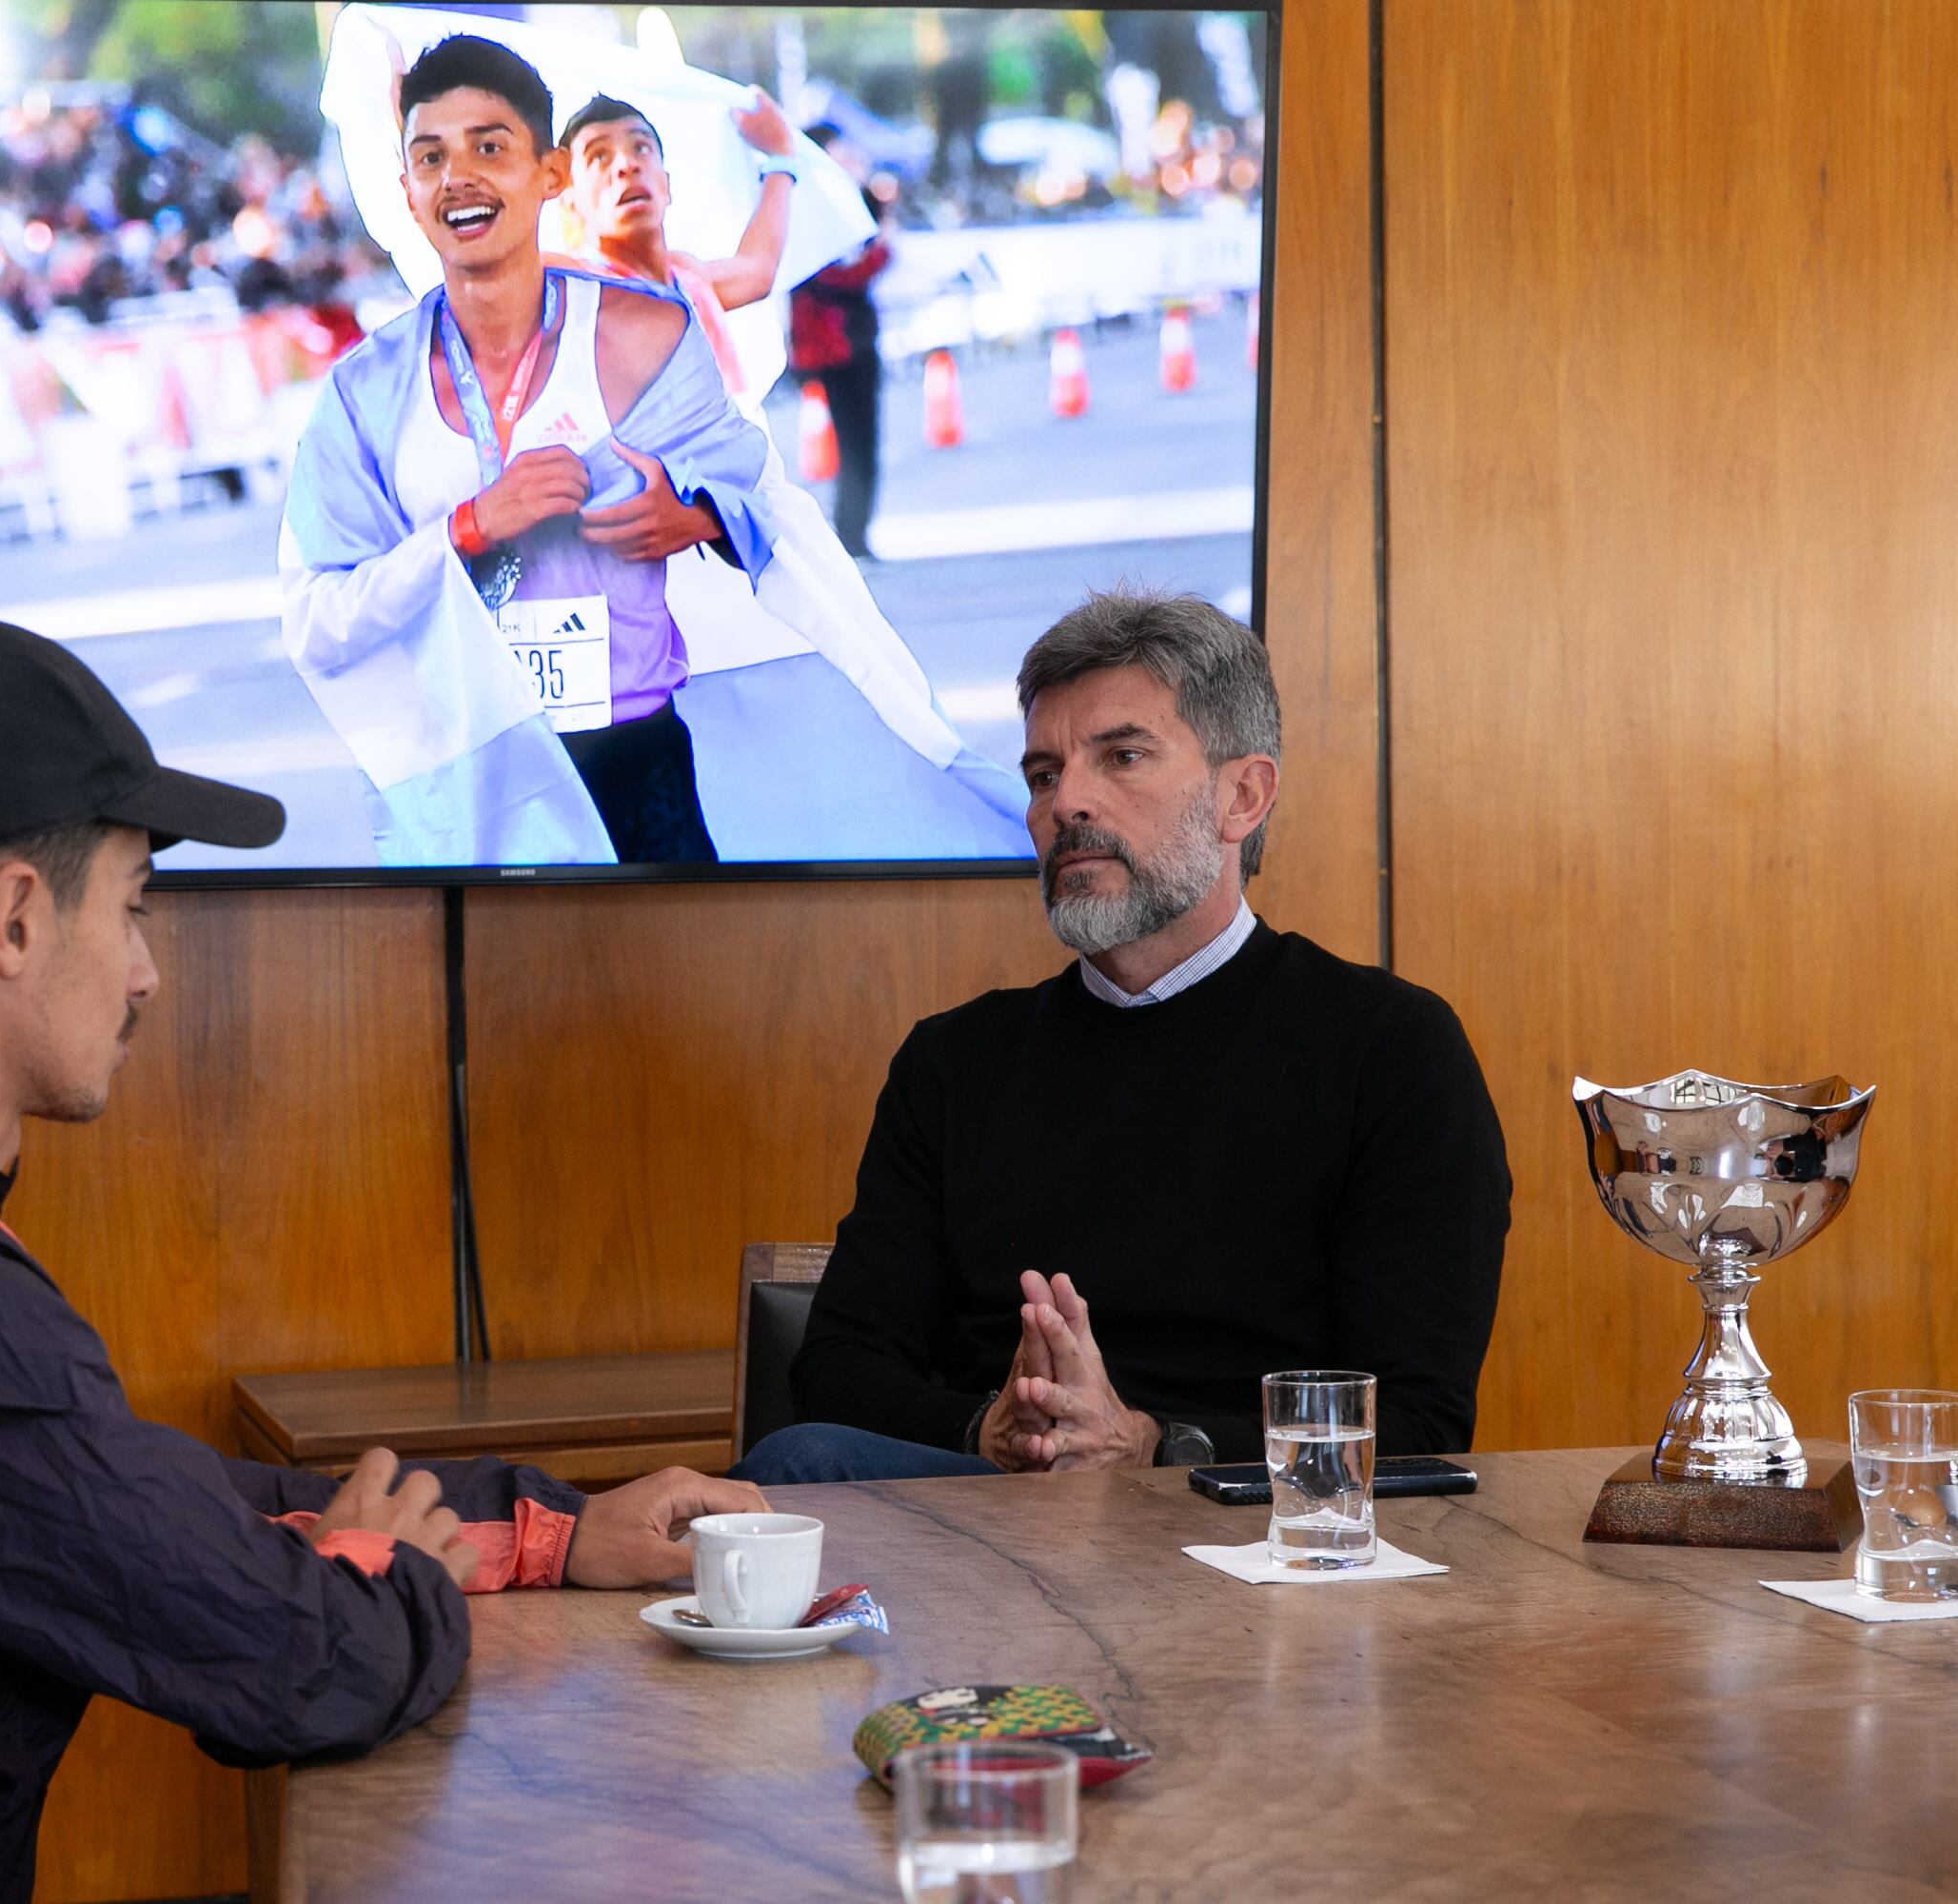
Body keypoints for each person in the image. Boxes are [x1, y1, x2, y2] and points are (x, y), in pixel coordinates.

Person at [0, 611, 765, 1900]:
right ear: (14, 920)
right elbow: (303, 1667)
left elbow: (150, 1515)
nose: (149, 971)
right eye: (133, 905)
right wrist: (385, 1584)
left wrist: (552, 1533)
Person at [735, 589, 1510, 1485]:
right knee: (799, 1460)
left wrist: (1150, 1443)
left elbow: (1416, 1419)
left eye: (1122, 756)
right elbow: (836, 1370)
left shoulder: (1394, 1051)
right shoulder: (955, 1062)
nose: (1068, 802)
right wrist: (989, 1427)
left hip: (1245, 1534)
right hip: (983, 1523)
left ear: (1242, 795)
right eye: (1042, 774)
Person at [281, 34, 1028, 868]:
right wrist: (473, 525)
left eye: (491, 147)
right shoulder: (376, 385)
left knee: (694, 952)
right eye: (431, 157)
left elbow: (755, 329)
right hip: (475, 774)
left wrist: (697, 511)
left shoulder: (663, 309)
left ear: (546, 175)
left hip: (650, 694)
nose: (627, 169)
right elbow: (320, 613)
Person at [559, 88, 797, 397]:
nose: (626, 166)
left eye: (641, 148)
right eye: (599, 156)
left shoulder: (687, 278)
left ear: (666, 184)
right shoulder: (571, 295)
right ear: (570, 203)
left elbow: (757, 269)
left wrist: (781, 160)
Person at [788, 132, 890, 560]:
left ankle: (855, 534)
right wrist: (882, 247)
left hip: (850, 342)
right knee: (855, 445)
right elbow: (847, 274)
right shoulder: (810, 215)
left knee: (860, 445)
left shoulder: (844, 206)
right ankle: (851, 536)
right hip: (836, 347)